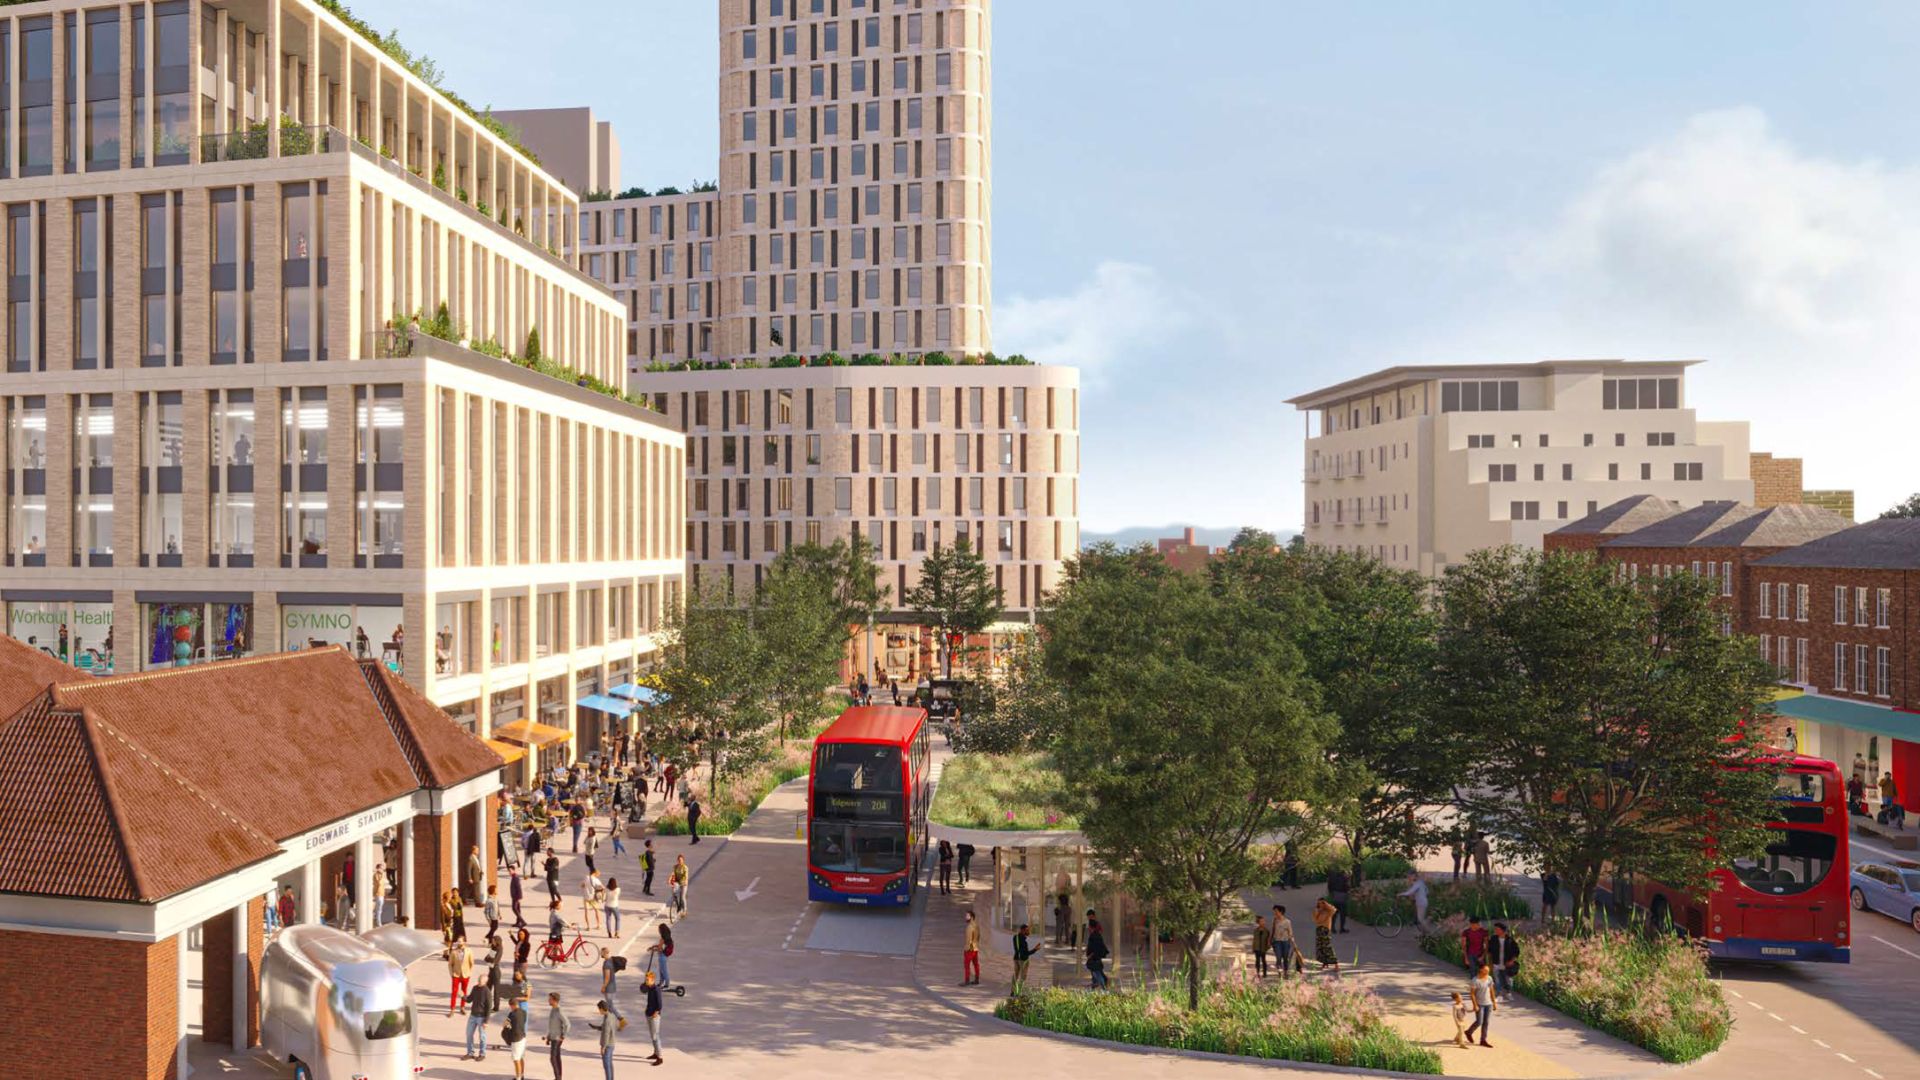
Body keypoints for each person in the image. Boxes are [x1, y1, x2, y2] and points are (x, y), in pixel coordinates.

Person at [462, 975, 494, 1061]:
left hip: (482, 1017)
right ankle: (470, 1053)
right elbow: (470, 999)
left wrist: (486, 1021)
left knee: (482, 1036)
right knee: (469, 1034)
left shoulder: (487, 992)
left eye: (481, 980)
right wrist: (464, 997)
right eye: (479, 979)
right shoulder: (475, 988)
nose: (479, 981)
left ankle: (482, 1054)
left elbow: (489, 1007)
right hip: (473, 1016)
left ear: (485, 982)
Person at [1465, 964, 1496, 1046]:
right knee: (1479, 1022)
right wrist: (1475, 1005)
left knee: (1486, 1022)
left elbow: (1492, 990)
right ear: (1481, 970)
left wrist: (1494, 1003)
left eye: (1488, 971)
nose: (1487, 972)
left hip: (1488, 1003)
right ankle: (1469, 1032)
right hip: (1480, 1004)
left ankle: (1483, 1040)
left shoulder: (1489, 978)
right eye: (1486, 970)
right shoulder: (1475, 980)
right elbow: (1472, 994)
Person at [1489, 922, 1521, 1002]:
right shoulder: (1493, 939)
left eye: (1497, 929)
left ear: (1503, 930)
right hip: (1496, 963)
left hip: (1507, 964)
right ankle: (1499, 994)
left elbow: (1516, 952)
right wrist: (1490, 963)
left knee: (1508, 980)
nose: (1495, 931)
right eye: (1495, 929)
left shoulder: (1510, 940)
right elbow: (1489, 951)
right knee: (1497, 979)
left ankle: (1508, 993)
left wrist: (1511, 961)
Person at [588, 999, 618, 1080]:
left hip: (607, 1045)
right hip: (612, 1043)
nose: (599, 1011)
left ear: (601, 1009)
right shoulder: (611, 1015)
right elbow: (608, 1029)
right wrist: (597, 1027)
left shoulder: (607, 1019)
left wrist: (603, 1047)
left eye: (599, 1009)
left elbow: (606, 1033)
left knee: (606, 1065)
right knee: (610, 1064)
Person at [599, 946, 628, 1026]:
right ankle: (608, 1023)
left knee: (610, 1006)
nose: (600, 954)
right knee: (609, 1006)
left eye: (601, 952)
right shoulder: (611, 961)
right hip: (613, 986)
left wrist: (604, 986)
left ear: (604, 953)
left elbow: (607, 977)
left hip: (609, 988)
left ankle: (621, 1020)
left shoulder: (606, 964)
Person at [503, 993, 531, 1078]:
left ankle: (518, 1077)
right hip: (523, 1037)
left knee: (516, 1059)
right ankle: (522, 1075)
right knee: (521, 1057)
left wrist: (506, 1027)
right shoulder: (524, 1012)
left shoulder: (511, 1015)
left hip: (516, 1039)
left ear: (512, 1005)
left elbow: (506, 1026)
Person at [1312, 897, 1340, 978]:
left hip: (1325, 930)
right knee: (1320, 947)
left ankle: (1336, 964)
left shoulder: (1328, 911)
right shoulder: (1318, 911)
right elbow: (1315, 920)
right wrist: (1317, 911)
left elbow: (1334, 910)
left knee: (1327, 947)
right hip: (1319, 929)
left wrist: (1326, 904)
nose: (1320, 904)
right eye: (1319, 903)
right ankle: (1324, 963)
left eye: (1321, 903)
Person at [545, 992, 570, 1080]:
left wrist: (563, 1036)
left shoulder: (559, 1011)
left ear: (555, 1000)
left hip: (557, 1039)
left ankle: (558, 1078)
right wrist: (548, 1037)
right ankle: (558, 1077)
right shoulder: (553, 1010)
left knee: (553, 1058)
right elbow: (552, 1026)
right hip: (553, 1038)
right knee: (557, 1058)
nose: (548, 1000)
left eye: (550, 999)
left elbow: (567, 1024)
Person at [643, 970, 666, 1066]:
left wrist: (656, 1013)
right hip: (649, 1013)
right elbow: (642, 989)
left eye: (648, 980)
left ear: (652, 980)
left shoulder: (656, 990)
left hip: (654, 1016)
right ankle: (655, 1053)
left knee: (656, 1036)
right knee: (652, 1036)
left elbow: (660, 1004)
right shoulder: (650, 988)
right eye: (646, 980)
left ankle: (660, 1057)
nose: (646, 981)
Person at [1084, 911, 1110, 990]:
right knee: (1096, 969)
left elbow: (1094, 946)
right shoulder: (1094, 934)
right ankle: (1097, 982)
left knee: (1096, 969)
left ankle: (1103, 985)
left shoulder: (1095, 934)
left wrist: (1090, 954)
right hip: (1096, 954)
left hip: (1095, 954)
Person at [448, 939, 473, 1016]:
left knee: (464, 991)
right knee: (454, 992)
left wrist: (469, 973)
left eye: (461, 941)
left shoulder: (469, 951)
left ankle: (462, 1007)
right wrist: (452, 974)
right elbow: (450, 964)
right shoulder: (453, 952)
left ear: (464, 942)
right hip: (456, 975)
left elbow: (471, 963)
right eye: (458, 941)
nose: (459, 942)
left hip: (465, 975)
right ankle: (452, 1009)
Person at [1325, 864, 1351, 933]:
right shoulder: (1344, 878)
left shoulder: (1332, 877)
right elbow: (1347, 887)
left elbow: (1329, 886)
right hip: (1342, 895)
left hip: (1335, 895)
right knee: (1343, 913)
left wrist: (1331, 893)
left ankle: (1332, 927)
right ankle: (1341, 928)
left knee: (1335, 912)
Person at [1271, 905, 1295, 979]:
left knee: (1285, 958)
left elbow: (1290, 933)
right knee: (1278, 957)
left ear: (1280, 912)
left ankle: (1286, 972)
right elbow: (1273, 930)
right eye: (1274, 911)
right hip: (1277, 941)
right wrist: (1270, 940)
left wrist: (1293, 942)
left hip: (1285, 942)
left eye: (1276, 911)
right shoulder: (1275, 920)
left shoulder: (1287, 922)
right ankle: (1280, 972)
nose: (1275, 913)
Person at [1011, 923, 1035, 995]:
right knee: (1023, 977)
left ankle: (1013, 991)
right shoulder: (1023, 941)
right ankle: (1018, 992)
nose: (1028, 932)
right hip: (1023, 960)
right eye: (1026, 930)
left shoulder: (1015, 937)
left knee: (1015, 975)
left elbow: (1018, 950)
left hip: (1016, 959)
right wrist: (1035, 950)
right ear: (1022, 930)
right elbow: (1025, 953)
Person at [960, 910, 982, 985]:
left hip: (970, 948)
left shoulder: (969, 927)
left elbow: (968, 939)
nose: (966, 917)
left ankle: (967, 980)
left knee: (967, 965)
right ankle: (977, 979)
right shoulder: (976, 926)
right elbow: (979, 936)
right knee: (976, 964)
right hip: (975, 947)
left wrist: (967, 948)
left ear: (972, 917)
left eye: (967, 916)